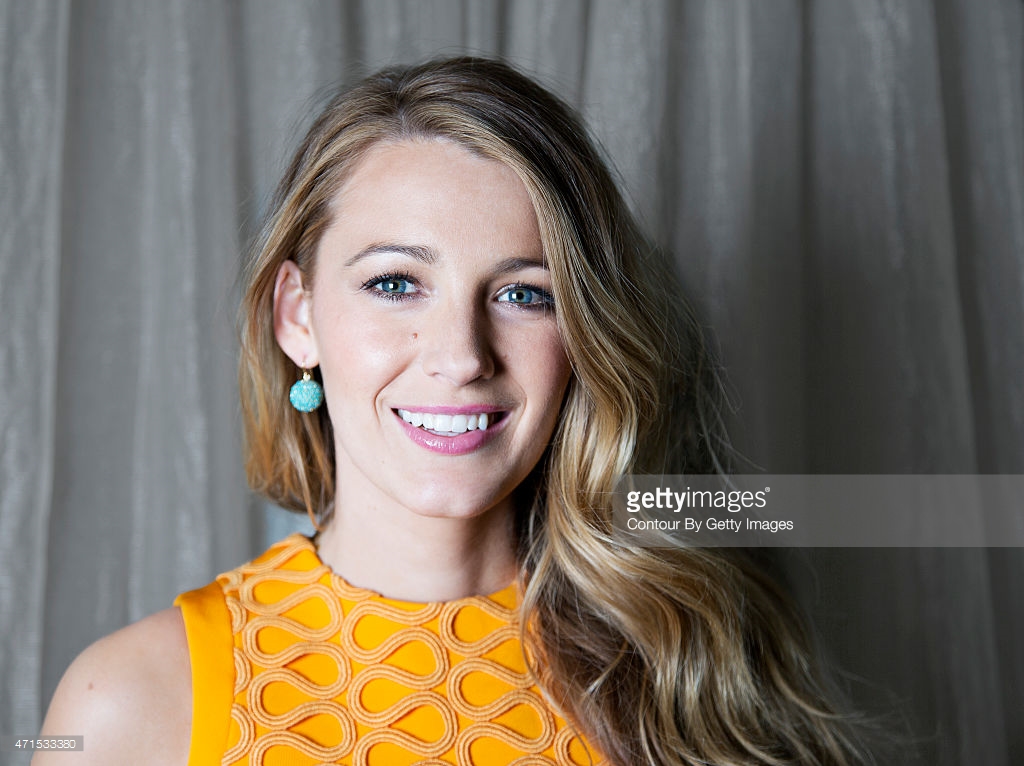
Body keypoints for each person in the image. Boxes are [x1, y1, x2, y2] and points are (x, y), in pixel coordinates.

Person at [37, 56, 870, 766]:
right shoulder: (124, 707)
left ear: (584, 335)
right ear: (297, 315)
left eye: (524, 294)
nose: (463, 355)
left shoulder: (699, 666)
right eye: (395, 283)